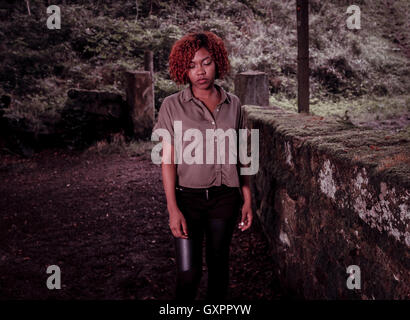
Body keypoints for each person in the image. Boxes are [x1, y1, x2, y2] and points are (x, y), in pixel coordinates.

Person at [152, 31, 253, 301]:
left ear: (217, 62)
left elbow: (243, 156)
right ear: (182, 70)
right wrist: (173, 209)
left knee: (219, 270)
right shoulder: (171, 106)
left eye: (206, 62)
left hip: (225, 200)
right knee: (188, 273)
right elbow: (167, 160)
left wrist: (247, 199)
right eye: (192, 65)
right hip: (188, 200)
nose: (200, 71)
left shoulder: (235, 105)